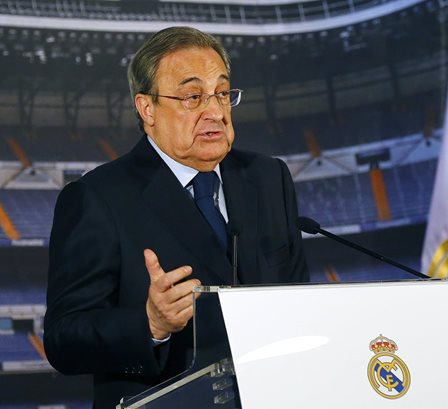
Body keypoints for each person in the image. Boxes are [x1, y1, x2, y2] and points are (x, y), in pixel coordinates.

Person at [43, 26, 308, 408]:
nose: (215, 111)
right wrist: (151, 323)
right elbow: (63, 339)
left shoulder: (268, 177)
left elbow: (300, 300)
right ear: (147, 109)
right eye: (192, 96)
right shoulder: (98, 197)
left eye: (221, 93)